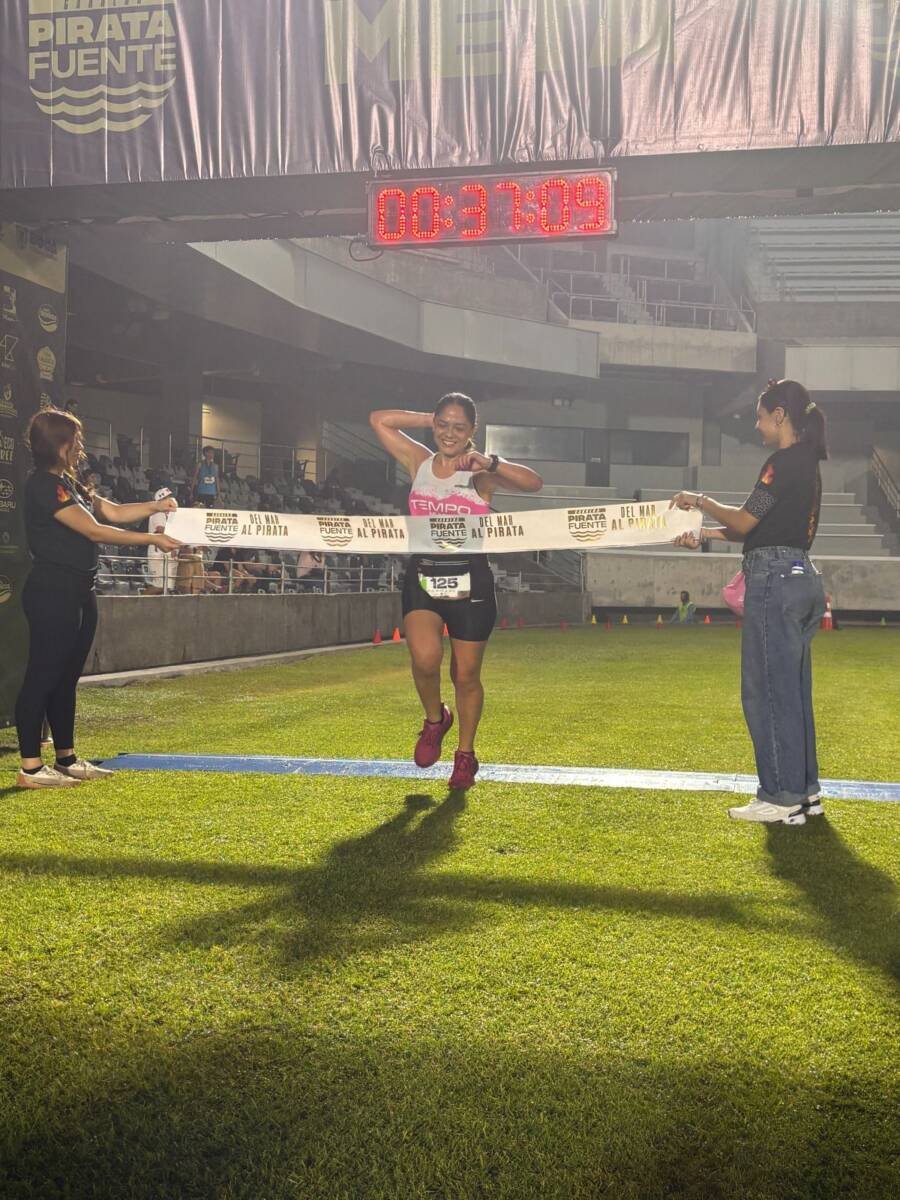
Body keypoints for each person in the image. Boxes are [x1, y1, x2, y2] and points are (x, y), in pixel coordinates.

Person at [671, 379, 828, 826]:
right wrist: (701, 533)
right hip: (801, 577)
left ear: (780, 416)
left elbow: (743, 520)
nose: (757, 425)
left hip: (774, 582)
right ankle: (805, 792)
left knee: (767, 693)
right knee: (793, 694)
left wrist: (698, 501)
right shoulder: (808, 464)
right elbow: (755, 530)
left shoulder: (780, 463)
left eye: (760, 417)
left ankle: (780, 797)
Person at [370, 393, 543, 788]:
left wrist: (490, 462)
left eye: (458, 427)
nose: (449, 433)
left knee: (465, 675)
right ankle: (436, 720)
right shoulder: (419, 461)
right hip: (424, 574)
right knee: (425, 658)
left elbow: (534, 483)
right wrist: (428, 418)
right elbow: (379, 419)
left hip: (471, 578)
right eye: (443, 424)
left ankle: (465, 755)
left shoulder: (479, 472)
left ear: (472, 431)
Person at [15, 409, 181, 789]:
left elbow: (113, 512)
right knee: (42, 675)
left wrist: (156, 507)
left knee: (66, 677)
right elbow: (94, 530)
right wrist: (152, 538)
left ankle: (66, 759)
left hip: (79, 590)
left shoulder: (68, 483)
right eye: (76, 440)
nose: (81, 448)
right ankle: (30, 768)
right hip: (52, 592)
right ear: (60, 445)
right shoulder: (44, 485)